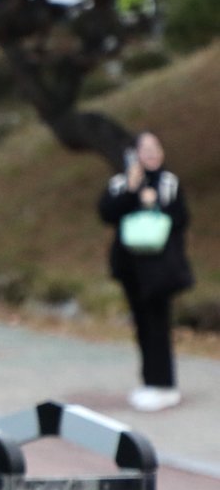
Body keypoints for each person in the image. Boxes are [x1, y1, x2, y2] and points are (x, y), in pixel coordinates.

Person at [99, 132, 193, 412]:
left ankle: (165, 384)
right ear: (134, 154)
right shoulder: (120, 183)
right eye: (146, 149)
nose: (152, 153)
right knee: (141, 324)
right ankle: (149, 380)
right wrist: (132, 189)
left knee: (158, 324)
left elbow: (181, 218)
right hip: (130, 266)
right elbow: (106, 213)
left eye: (156, 148)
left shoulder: (168, 183)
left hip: (160, 267)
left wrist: (156, 204)